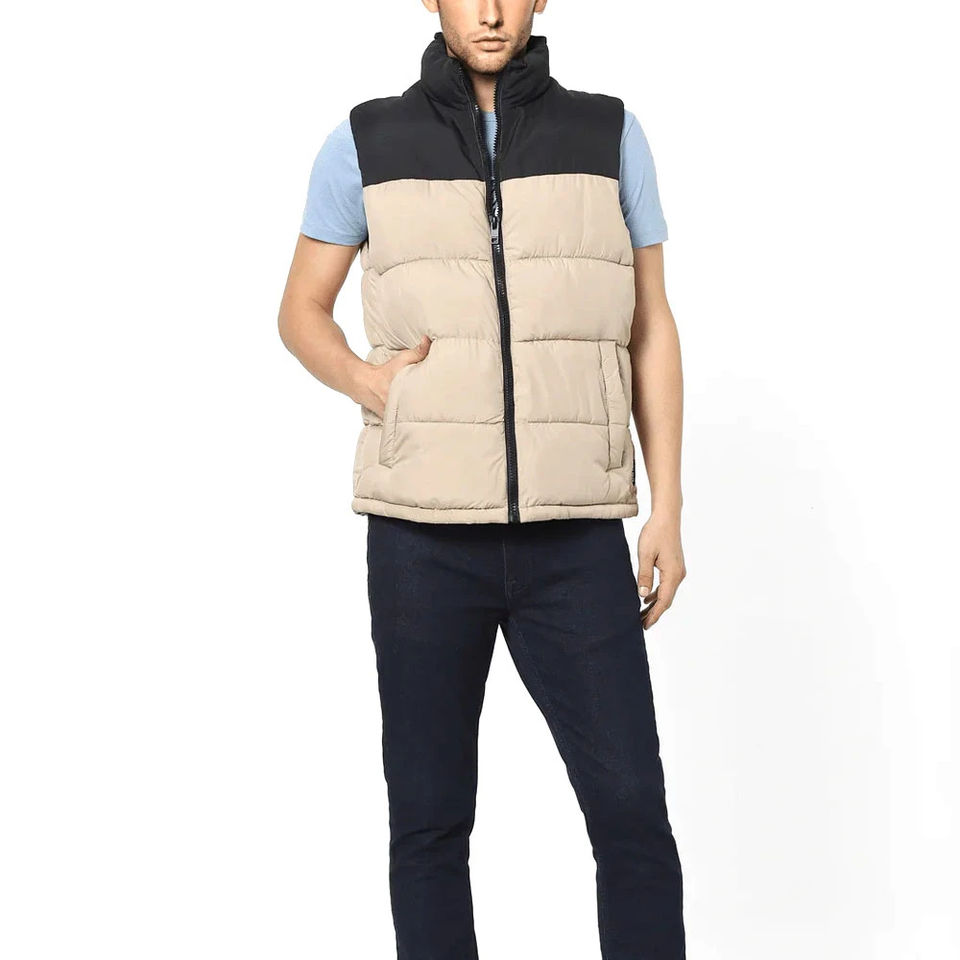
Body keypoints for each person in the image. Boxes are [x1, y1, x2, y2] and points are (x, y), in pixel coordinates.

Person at [277, 2, 687, 957]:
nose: (491, 11)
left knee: (631, 811)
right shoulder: (366, 140)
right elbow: (300, 309)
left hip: (575, 534)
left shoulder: (609, 134)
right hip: (420, 539)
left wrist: (667, 505)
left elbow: (652, 324)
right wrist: (369, 384)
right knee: (429, 823)